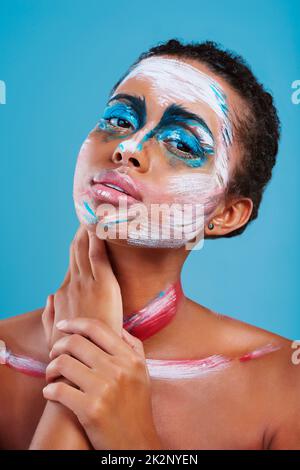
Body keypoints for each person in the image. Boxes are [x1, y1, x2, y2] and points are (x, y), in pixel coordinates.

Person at [0, 39, 299, 450]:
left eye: (182, 144)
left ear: (226, 214)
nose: (127, 148)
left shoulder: (286, 382)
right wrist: (84, 361)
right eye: (120, 120)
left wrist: (129, 435)